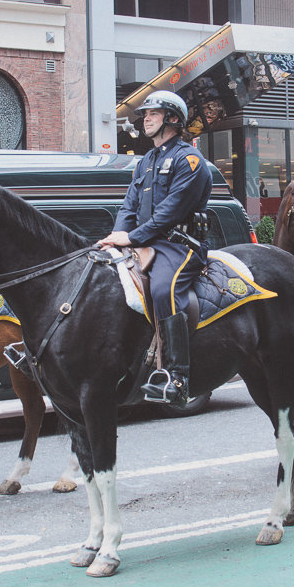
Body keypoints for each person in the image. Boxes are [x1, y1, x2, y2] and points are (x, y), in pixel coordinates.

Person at [98, 90, 213, 404]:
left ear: (172, 119)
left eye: (153, 114)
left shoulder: (189, 159)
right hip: (145, 243)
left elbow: (170, 213)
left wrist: (132, 238)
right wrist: (116, 236)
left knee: (164, 290)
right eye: (145, 115)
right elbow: (129, 206)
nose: (145, 120)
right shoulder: (146, 161)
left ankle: (178, 378)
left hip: (179, 245)